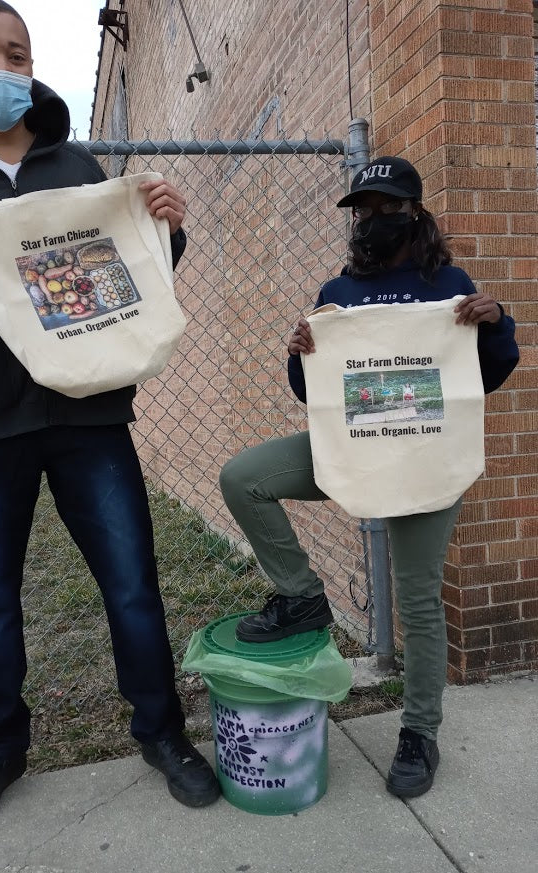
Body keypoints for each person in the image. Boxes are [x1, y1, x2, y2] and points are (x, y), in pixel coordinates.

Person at [0, 0, 219, 832]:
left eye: (18, 52)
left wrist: (165, 231)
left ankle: (163, 733)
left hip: (88, 411)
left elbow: (126, 273)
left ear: (33, 64)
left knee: (133, 583)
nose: (4, 66)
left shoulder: (75, 162)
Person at [219, 156, 519, 798]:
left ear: (416, 214)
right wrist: (302, 354)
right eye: (363, 209)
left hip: (425, 457)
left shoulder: (452, 285)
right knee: (245, 477)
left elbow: (486, 377)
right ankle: (302, 596)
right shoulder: (339, 294)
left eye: (387, 207)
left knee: (416, 599)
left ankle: (419, 735)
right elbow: (315, 395)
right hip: (353, 444)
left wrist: (495, 323)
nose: (372, 219)